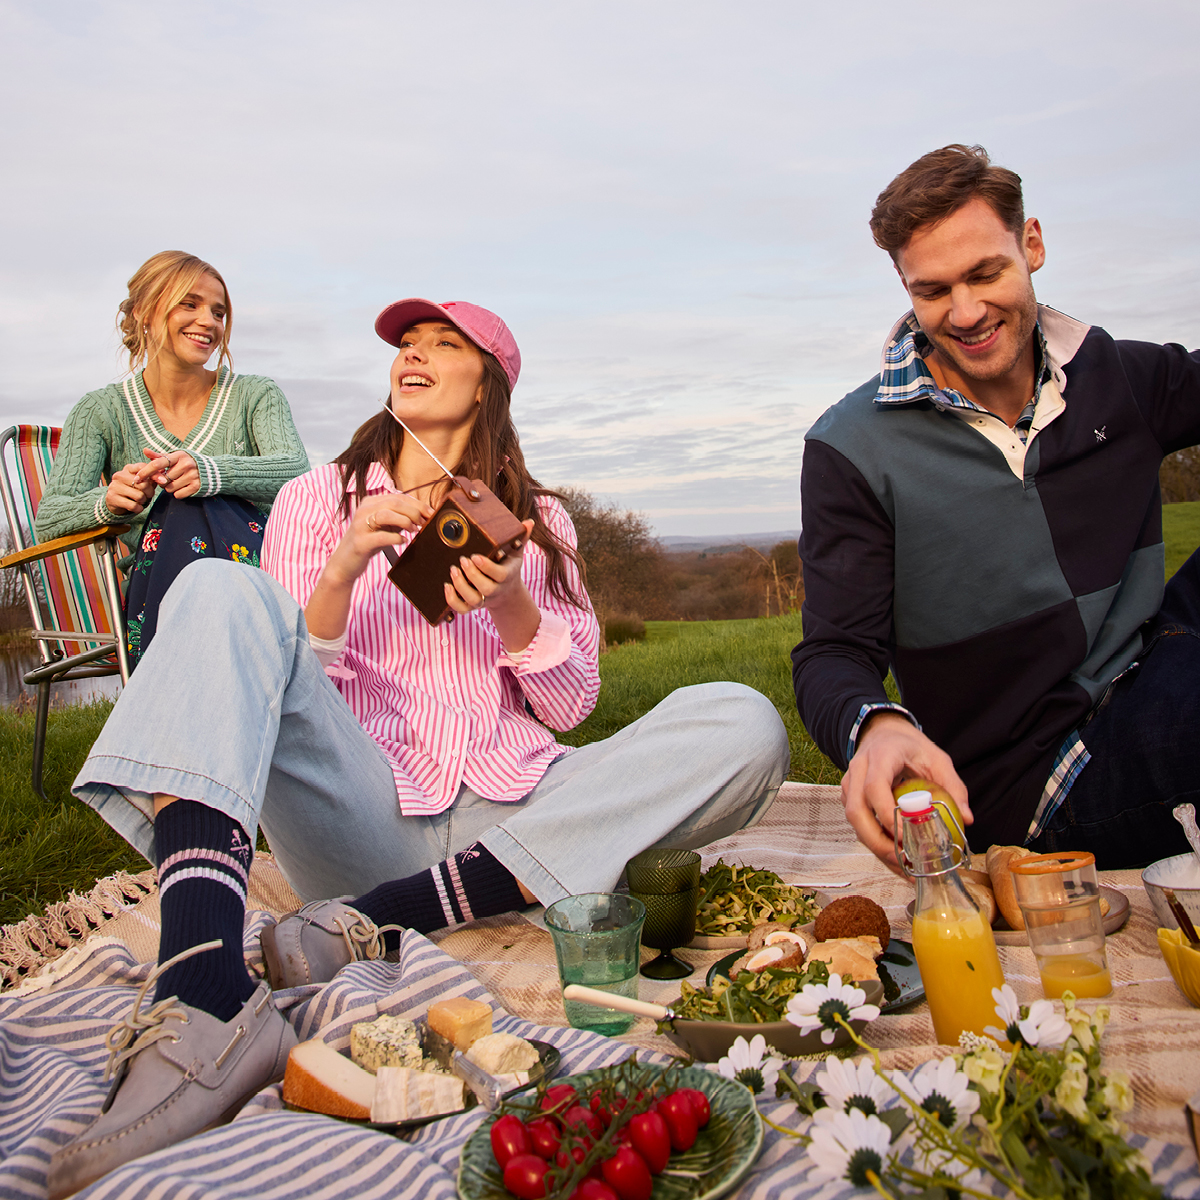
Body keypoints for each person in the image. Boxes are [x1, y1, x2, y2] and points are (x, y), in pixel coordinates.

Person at [48, 298, 789, 1197]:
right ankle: (201, 988)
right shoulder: (316, 498)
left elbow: (570, 704)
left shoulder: (541, 519)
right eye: (407, 344)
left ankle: (391, 917)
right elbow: (277, 683)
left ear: (489, 384)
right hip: (361, 807)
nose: (416, 356)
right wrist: (341, 570)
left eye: (445, 346)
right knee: (216, 590)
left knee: (743, 721)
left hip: (516, 808)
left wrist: (513, 603)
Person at [793, 144, 1200, 875]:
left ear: (1032, 244)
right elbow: (832, 654)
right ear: (905, 286)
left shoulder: (1121, 376)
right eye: (934, 290)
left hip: (1156, 661)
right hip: (1042, 781)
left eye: (986, 273)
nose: (968, 311)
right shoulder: (851, 449)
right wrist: (876, 727)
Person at [34, 250, 310, 665]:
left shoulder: (255, 395)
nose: (209, 322)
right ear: (146, 311)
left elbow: (297, 472)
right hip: (158, 583)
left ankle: (166, 694)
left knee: (192, 499)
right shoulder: (101, 411)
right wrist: (109, 502)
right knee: (176, 503)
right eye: (190, 303)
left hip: (260, 573)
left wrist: (212, 473)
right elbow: (50, 519)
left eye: (218, 312)